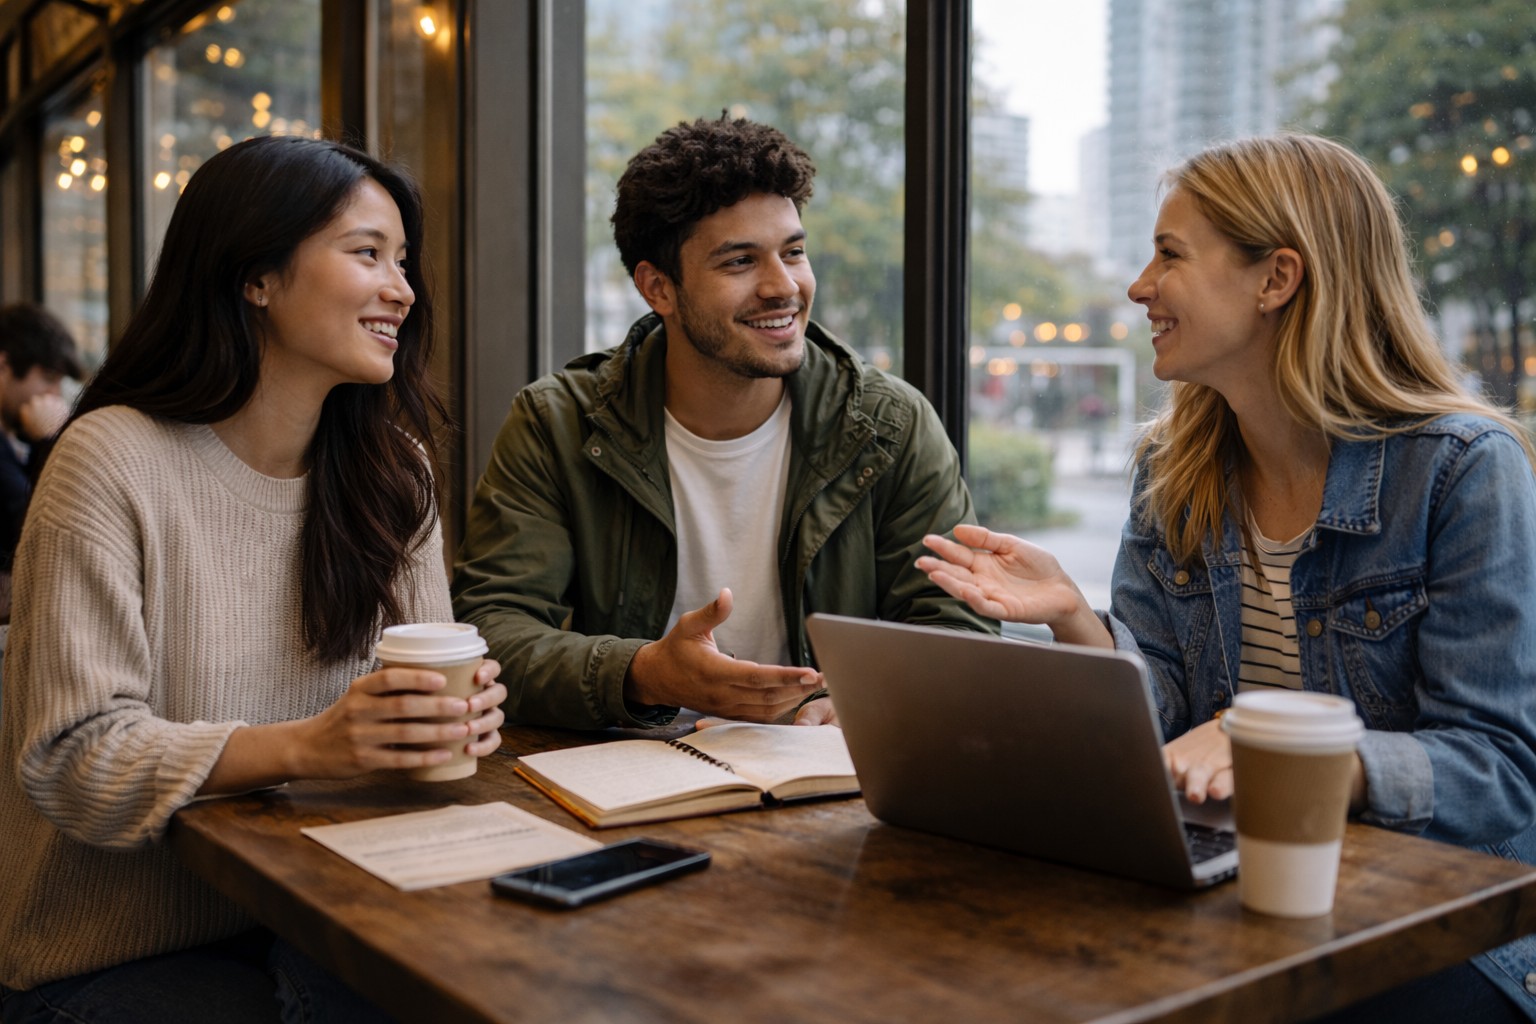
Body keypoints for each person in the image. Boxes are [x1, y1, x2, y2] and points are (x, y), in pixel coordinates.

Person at [917, 133, 1536, 1021]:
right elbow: (1166, 715)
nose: (1139, 287)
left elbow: (1499, 771)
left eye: (1169, 255)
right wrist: (1075, 624)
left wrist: (1277, 747)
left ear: (1275, 279)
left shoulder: (1462, 470)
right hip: (1233, 893)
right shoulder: (1175, 467)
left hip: (1435, 933)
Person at [0, 135, 507, 1023]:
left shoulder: (396, 471)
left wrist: (445, 726)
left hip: (319, 908)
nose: (403, 288)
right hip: (111, 949)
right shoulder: (111, 462)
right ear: (256, 276)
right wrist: (313, 746)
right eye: (367, 254)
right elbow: (75, 759)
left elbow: (402, 721)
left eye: (403, 260)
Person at [452, 115, 994, 731]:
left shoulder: (888, 423)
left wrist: (856, 698)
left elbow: (958, 626)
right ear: (659, 287)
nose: (783, 286)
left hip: (823, 773)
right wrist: (643, 672)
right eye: (740, 262)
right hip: (626, 770)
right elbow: (491, 629)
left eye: (793, 251)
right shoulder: (558, 422)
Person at [0, 302, 83, 619]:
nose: (54, 395)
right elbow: (34, 530)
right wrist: (48, 442)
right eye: (48, 378)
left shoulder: (15, 440)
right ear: (4, 365)